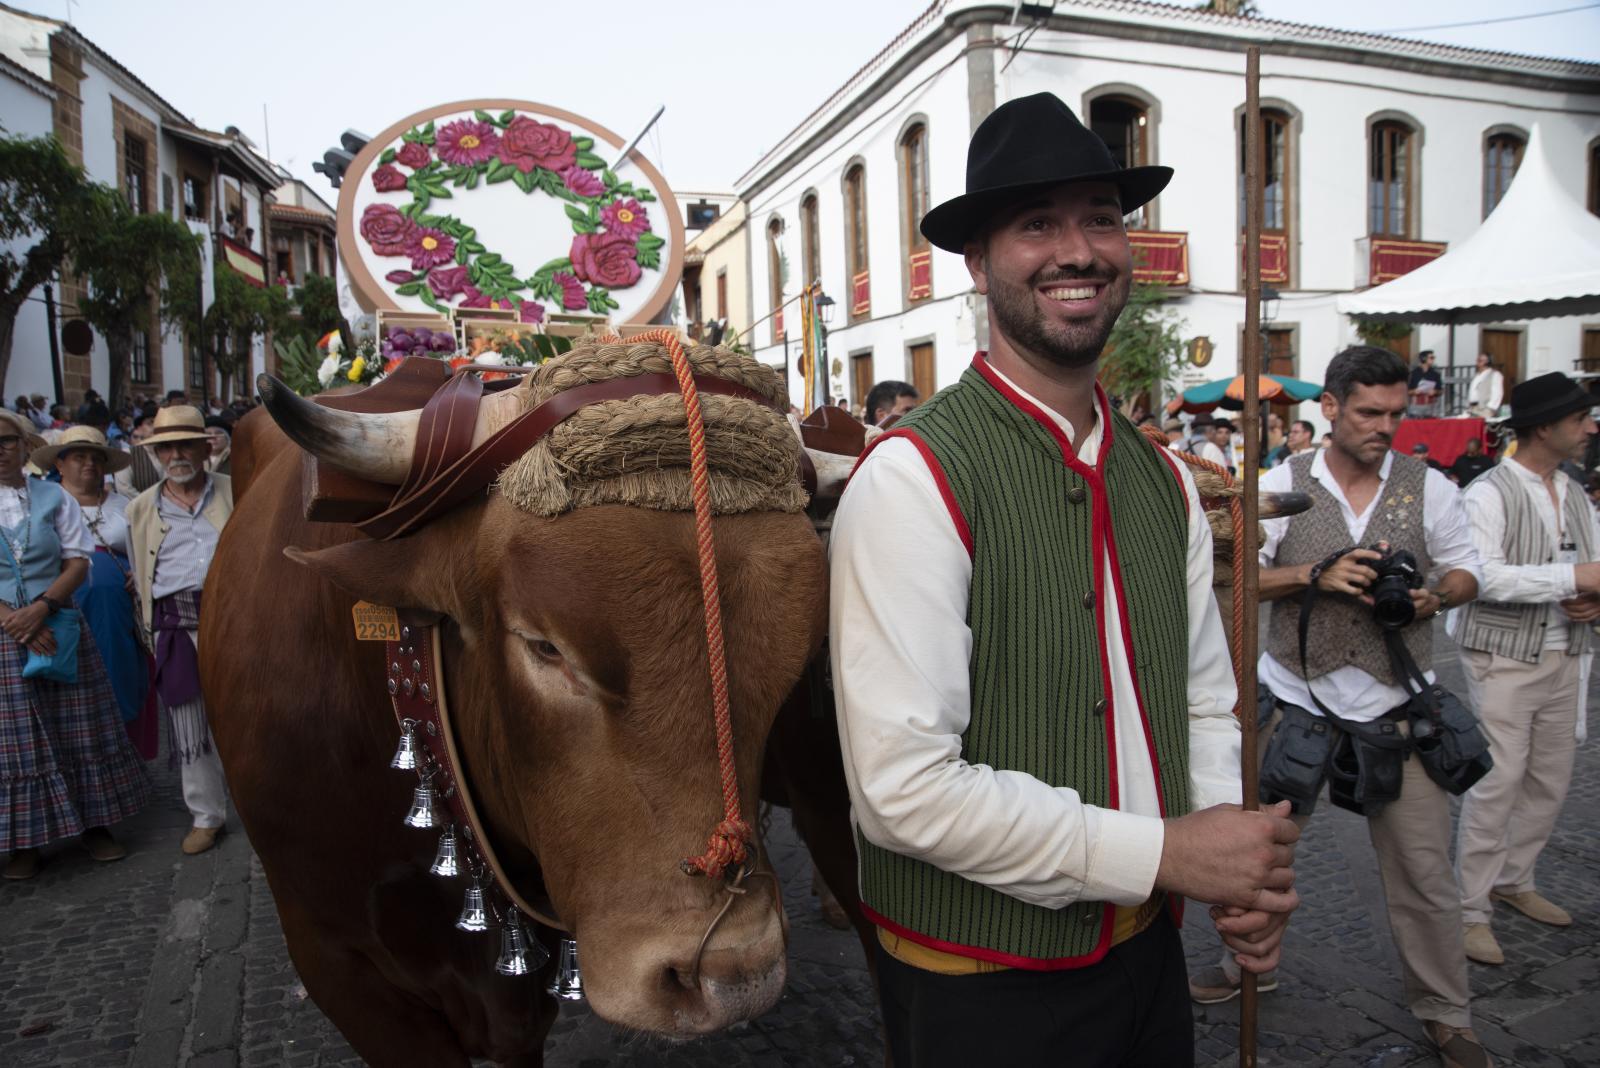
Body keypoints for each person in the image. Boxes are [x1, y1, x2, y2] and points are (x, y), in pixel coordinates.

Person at [831, 92, 1299, 1066]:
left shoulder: (1166, 479)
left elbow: (1202, 700)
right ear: (978, 262)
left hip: (1147, 952)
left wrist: (1230, 856)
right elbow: (902, 792)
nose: (1077, 250)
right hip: (980, 981)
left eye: (1100, 218)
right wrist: (1167, 853)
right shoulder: (913, 476)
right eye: (1037, 225)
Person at [1227, 345, 1488, 1068]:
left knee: (1425, 877)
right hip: (1296, 702)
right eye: (1370, 412)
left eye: (1396, 413)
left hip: (1398, 708)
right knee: (1257, 860)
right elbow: (1238, 576)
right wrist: (1314, 574)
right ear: (1331, 407)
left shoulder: (1430, 487)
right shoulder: (1282, 483)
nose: (1385, 427)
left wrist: (1439, 594)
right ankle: (1245, 971)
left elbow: (1469, 568)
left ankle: (1447, 1012)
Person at [1450, 373, 1600, 968]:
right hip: (1504, 656)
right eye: (1579, 419)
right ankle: (1470, 909)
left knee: (1549, 779)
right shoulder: (1488, 492)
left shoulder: (1574, 489)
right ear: (1544, 428)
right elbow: (1481, 575)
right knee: (1498, 781)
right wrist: (1571, 580)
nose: (1590, 428)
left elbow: (1592, 566)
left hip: (1567, 652)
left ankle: (1516, 879)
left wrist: (1591, 598)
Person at [0, 411, 150, 880]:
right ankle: (24, 842)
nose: (0, 450)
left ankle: (96, 825)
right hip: (4, 633)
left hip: (59, 622)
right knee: (16, 741)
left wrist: (42, 608)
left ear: (24, 446)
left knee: (80, 727)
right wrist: (13, 621)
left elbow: (77, 560)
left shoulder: (53, 498)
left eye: (7, 441)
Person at [127, 406, 234, 855]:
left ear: (205, 448)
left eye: (185, 445)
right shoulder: (140, 508)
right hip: (175, 626)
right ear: (156, 454)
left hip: (234, 619)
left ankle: (267, 801)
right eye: (167, 448)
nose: (176, 455)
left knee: (249, 712)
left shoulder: (235, 490)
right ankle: (206, 815)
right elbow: (141, 572)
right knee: (190, 725)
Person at [33, 427, 154, 758]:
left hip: (115, 614)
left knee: (120, 677)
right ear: (60, 464)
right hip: (61, 607)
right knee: (68, 680)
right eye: (79, 456)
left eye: (96, 458)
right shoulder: (42, 504)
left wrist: (139, 572)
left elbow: (150, 550)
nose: (89, 463)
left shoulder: (126, 506)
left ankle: (121, 758)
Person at [1468, 353, 1505, 418]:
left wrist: (1490, 408)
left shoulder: (1495, 375)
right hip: (1473, 408)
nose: (1478, 362)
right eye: (1478, 360)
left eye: (1480, 360)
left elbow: (1497, 393)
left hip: (1486, 409)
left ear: (1488, 362)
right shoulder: (1476, 375)